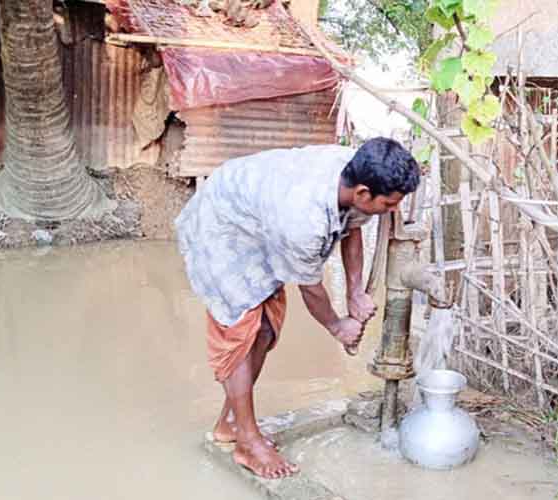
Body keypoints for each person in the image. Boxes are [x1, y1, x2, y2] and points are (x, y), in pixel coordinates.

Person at [175, 137, 420, 479]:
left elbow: (350, 228)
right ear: (364, 193)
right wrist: (338, 326)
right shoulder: (302, 220)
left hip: (261, 219)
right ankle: (246, 440)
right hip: (222, 227)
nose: (395, 210)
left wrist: (354, 291)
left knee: (263, 329)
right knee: (241, 330)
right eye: (390, 203)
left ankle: (231, 422)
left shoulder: (356, 174)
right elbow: (312, 289)